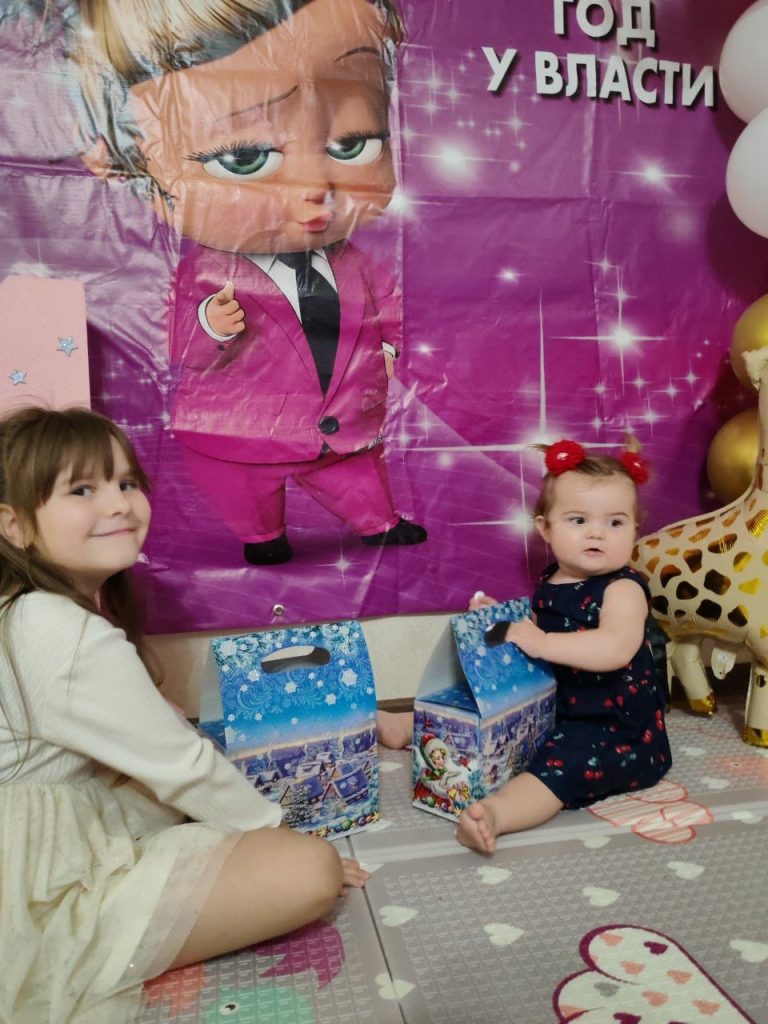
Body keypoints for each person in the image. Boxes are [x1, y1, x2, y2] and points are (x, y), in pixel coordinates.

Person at [0, 406, 370, 1024]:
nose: (119, 505)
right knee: (309, 870)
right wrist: (278, 832)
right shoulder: (57, 629)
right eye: (82, 490)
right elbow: (185, 765)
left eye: (126, 483)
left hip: (50, 823)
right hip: (29, 876)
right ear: (13, 525)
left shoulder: (28, 611)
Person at [72, 0, 426, 566]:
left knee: (357, 475)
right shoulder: (208, 275)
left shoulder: (358, 264)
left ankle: (377, 522)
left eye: (352, 142)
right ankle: (263, 535)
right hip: (240, 434)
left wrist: (390, 348)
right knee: (245, 494)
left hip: (342, 426)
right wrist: (211, 325)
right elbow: (184, 349)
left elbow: (390, 309)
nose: (314, 185)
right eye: (242, 158)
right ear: (131, 163)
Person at [457, 439, 672, 854]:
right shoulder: (553, 578)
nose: (596, 532)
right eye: (578, 520)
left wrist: (541, 641)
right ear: (545, 529)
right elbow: (544, 632)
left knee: (558, 768)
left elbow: (615, 648)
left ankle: (497, 814)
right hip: (556, 709)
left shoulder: (623, 589)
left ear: (635, 531)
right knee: (477, 705)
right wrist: (502, 621)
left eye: (615, 522)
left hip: (613, 728)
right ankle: (406, 725)